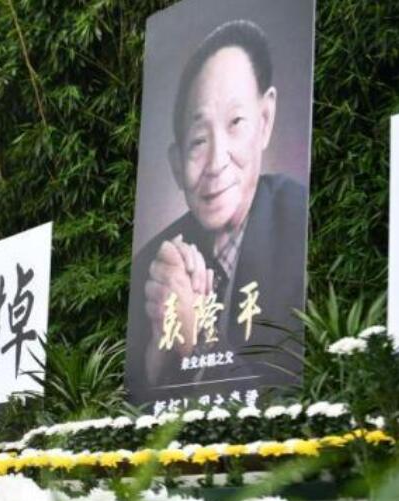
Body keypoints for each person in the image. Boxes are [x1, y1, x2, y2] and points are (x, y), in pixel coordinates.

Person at [127, 19, 307, 405]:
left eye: (236, 123)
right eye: (198, 140)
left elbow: (287, 408)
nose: (216, 162)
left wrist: (199, 339)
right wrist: (160, 355)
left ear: (265, 120)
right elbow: (132, 409)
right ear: (177, 164)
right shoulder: (152, 268)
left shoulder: (301, 226)